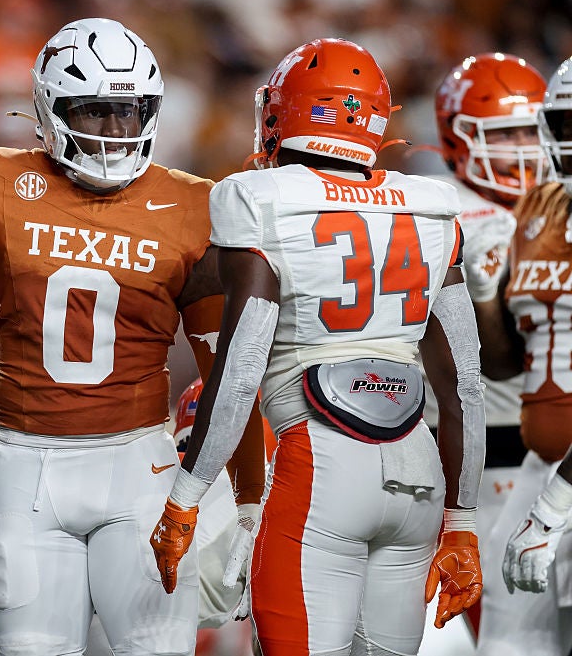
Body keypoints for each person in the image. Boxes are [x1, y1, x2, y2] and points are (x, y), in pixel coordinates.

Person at [0, 18, 266, 655]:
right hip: (26, 464)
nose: (113, 133)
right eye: (93, 113)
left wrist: (250, 500)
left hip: (140, 466)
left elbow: (225, 374)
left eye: (128, 113)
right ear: (48, 108)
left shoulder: (191, 204)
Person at [149, 38, 487, 656]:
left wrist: (186, 496)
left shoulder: (259, 198)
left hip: (318, 463)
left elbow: (243, 363)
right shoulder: (434, 206)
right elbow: (464, 384)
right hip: (416, 473)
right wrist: (462, 523)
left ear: (287, 113)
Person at [420, 52, 548, 646]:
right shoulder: (454, 214)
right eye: (504, 134)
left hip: (539, 455)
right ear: (457, 138)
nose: (523, 148)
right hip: (492, 460)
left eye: (531, 130)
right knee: (514, 635)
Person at [476, 55, 572, 656]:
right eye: (567, 123)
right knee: (507, 647)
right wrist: (483, 296)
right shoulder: (539, 208)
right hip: (541, 468)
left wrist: (554, 508)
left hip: (559, 487)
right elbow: (508, 363)